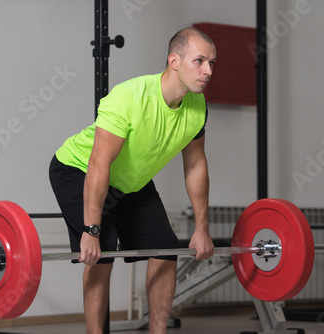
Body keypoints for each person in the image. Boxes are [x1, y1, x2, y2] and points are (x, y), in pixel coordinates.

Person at [49, 27, 217, 334]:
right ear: (174, 61)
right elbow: (99, 164)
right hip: (78, 170)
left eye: (212, 63)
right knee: (103, 251)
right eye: (200, 61)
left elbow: (195, 166)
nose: (207, 70)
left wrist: (202, 229)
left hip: (130, 183)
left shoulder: (197, 107)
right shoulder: (130, 97)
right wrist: (90, 229)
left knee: (166, 248)